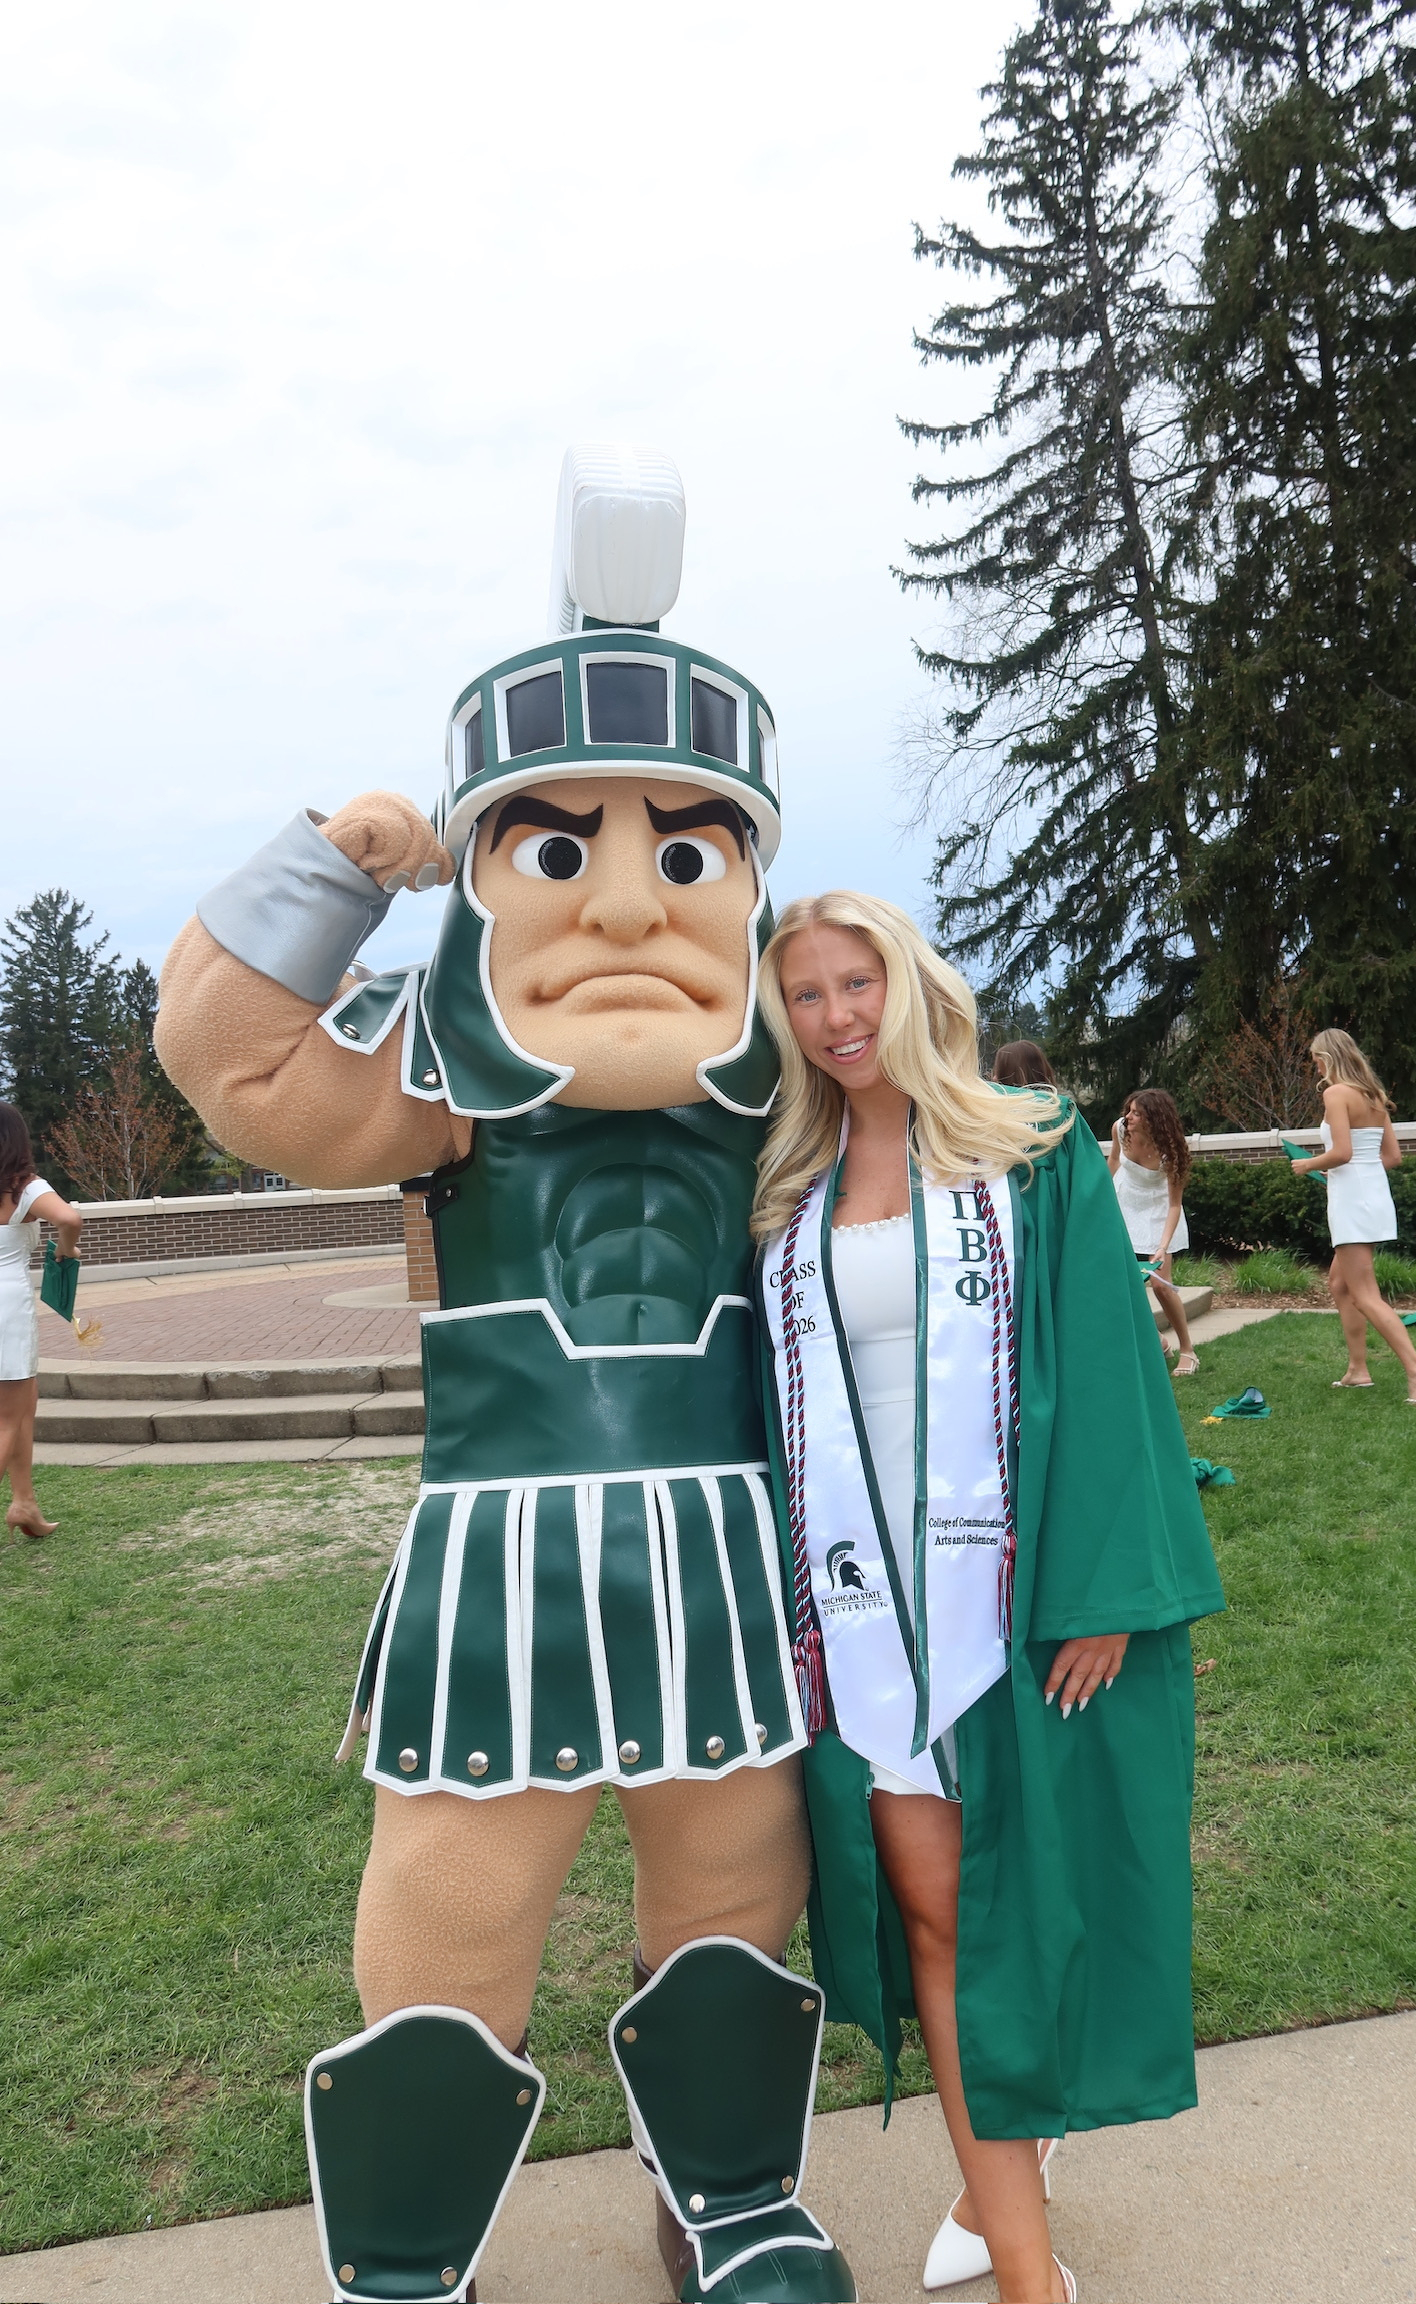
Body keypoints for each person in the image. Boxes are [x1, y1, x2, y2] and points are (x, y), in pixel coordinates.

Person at [154, 447, 855, 2304]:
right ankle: (403, 2252)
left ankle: (725, 2193)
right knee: (458, 1907)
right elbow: (223, 1056)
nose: (626, 901)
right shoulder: (433, 1077)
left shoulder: (786, 1076)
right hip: (505, 1564)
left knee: (733, 1891)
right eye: (562, 844)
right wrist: (332, 859)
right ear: (483, 867)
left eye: (683, 846)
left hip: (722, 1552)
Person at [753, 894, 1225, 2304]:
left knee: (1040, 1896)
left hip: (1010, 1589)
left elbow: (1109, 1372)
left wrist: (1102, 1591)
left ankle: (999, 2203)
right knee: (942, 1915)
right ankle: (1032, 2262)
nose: (839, 1017)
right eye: (808, 996)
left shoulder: (1033, 1149)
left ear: (910, 984)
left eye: (858, 982)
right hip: (862, 1602)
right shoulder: (788, 1184)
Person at [1289, 1029, 1416, 1404]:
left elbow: (1342, 1152)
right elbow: (1392, 1157)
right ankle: (1358, 1371)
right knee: (1340, 1284)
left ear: (1327, 1058)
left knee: (1364, 1294)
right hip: (1372, 1193)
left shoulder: (1336, 1094)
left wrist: (1309, 1163)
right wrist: (1346, 1168)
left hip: (1351, 1198)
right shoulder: (1373, 1097)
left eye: (1316, 1061)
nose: (1316, 1069)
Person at [0, 1101, 81, 1539]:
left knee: (23, 1408)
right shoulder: (23, 1186)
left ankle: (24, 1503)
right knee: (7, 1420)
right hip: (5, 1309)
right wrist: (66, 1249)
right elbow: (69, 1217)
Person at [1106, 1089, 1199, 1376]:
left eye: (1137, 1113)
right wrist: (1099, 1201)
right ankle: (1158, 1342)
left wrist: (1162, 1244)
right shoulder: (1120, 1130)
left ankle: (1188, 1350)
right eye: (1129, 1110)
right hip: (1125, 1201)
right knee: (1124, 1282)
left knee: (1160, 1285)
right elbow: (1112, 1163)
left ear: (1154, 1120)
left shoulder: (1170, 1149)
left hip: (1159, 1209)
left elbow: (1174, 1204)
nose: (1129, 1117)